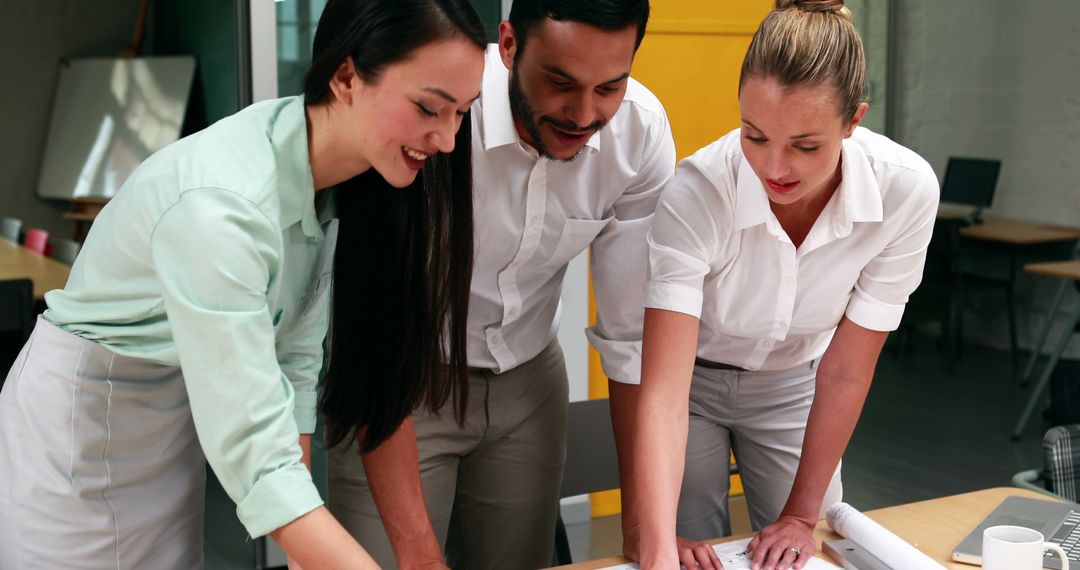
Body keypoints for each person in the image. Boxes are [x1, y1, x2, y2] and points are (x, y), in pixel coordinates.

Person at [0, 0, 486, 567]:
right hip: (79, 437)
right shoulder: (222, 207)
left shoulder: (331, 178)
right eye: (429, 108)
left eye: (462, 113)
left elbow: (294, 369)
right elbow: (257, 458)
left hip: (162, 425)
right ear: (347, 76)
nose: (446, 139)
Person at [325, 1, 677, 568]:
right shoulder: (436, 112)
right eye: (560, 82)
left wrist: (640, 527)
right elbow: (369, 326)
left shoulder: (639, 133)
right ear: (509, 45)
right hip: (399, 376)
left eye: (609, 87)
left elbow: (631, 340)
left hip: (528, 382)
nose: (583, 114)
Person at [627, 1, 940, 569]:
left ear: (853, 120)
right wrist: (656, 547)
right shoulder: (697, 193)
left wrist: (799, 515)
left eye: (805, 145)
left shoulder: (904, 191)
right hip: (689, 384)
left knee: (806, 546)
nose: (774, 168)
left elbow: (846, 370)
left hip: (797, 381)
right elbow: (665, 394)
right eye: (755, 135)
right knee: (686, 549)